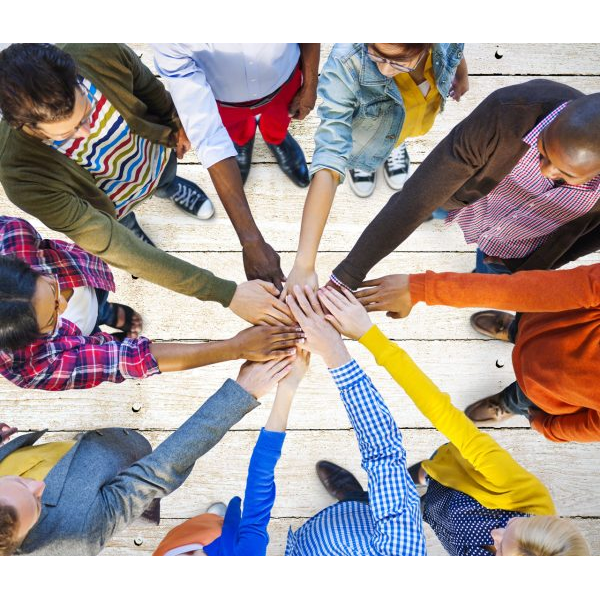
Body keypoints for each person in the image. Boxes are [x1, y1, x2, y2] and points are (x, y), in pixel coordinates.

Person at [0, 44, 292, 325]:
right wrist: (226, 294)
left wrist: (174, 120)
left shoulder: (96, 51)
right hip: (114, 205)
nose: (87, 131)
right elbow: (113, 243)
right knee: (126, 230)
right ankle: (135, 226)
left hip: (156, 157)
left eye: (87, 112)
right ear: (28, 127)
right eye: (69, 133)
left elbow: (149, 89)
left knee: (166, 180)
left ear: (75, 74)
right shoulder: (21, 175)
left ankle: (171, 188)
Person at [316, 285, 590, 556]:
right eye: (512, 523)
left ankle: (359, 501)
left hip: (437, 517)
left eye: (500, 549)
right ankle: (417, 476)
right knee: (422, 475)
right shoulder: (524, 493)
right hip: (447, 474)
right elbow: (439, 409)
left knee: (393, 511)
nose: (495, 533)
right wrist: (369, 335)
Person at [0, 358, 294, 555]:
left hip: (73, 455)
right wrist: (241, 394)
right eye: (36, 503)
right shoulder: (75, 536)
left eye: (18, 484)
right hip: (114, 475)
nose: (39, 486)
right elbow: (157, 471)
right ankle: (143, 507)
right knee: (137, 493)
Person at [325, 81, 600, 290]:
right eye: (542, 150)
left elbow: (589, 240)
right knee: (433, 204)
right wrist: (348, 276)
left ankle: (487, 271)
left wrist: (538, 266)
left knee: (491, 277)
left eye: (565, 173)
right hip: (466, 199)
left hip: (522, 246)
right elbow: (416, 199)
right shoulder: (507, 112)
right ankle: (439, 213)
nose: (545, 170)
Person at [0, 216, 304, 391]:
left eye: (52, 287)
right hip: (79, 334)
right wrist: (234, 347)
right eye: (52, 321)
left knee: (100, 307)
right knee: (91, 328)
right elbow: (124, 360)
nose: (62, 306)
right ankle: (101, 320)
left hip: (87, 276)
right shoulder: (30, 366)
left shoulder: (11, 235)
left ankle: (108, 312)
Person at [283, 43, 467, 296]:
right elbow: (330, 154)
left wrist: (461, 70)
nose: (383, 68)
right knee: (357, 153)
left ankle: (391, 147)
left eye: (398, 62)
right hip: (362, 135)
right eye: (376, 54)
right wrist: (304, 264)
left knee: (403, 132)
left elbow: (455, 43)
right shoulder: (347, 62)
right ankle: (363, 161)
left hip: (416, 115)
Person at [353, 264, 600, 442]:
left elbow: (591, 427)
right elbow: (519, 291)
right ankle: (513, 330)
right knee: (525, 321)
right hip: (541, 320)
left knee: (520, 399)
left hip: (542, 391)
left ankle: (506, 404)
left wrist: (546, 427)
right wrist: (421, 288)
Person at [153, 44, 320, 290]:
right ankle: (244, 141)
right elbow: (209, 134)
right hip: (222, 102)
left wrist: (310, 84)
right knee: (235, 134)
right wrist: (250, 240)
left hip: (283, 84)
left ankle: (276, 139)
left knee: (279, 124)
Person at [282, 286, 426, 556]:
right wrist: (335, 352)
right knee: (389, 482)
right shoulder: (399, 554)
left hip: (322, 540)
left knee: (390, 492)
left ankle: (363, 496)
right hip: (370, 522)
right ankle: (381, 492)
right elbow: (382, 450)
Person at [153, 349, 310, 556]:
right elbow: (260, 479)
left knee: (189, 532)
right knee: (214, 526)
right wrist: (287, 388)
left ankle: (211, 521)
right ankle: (215, 521)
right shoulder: (246, 554)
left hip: (180, 543)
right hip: (218, 540)